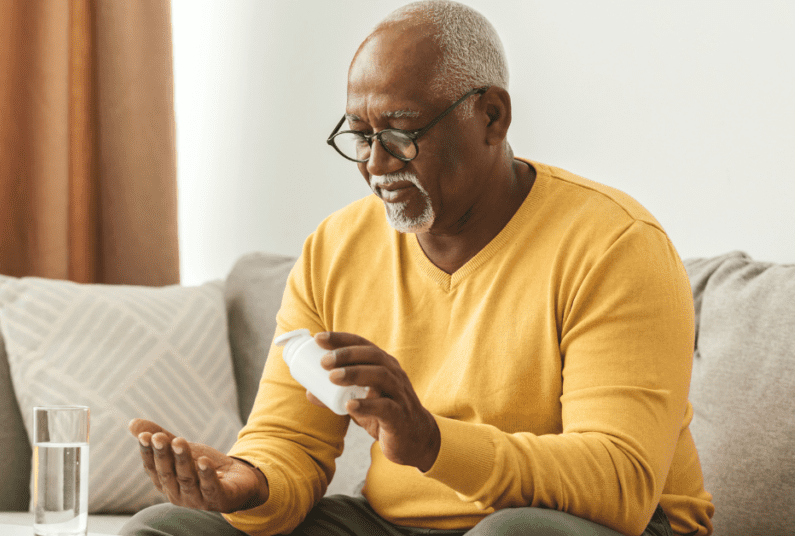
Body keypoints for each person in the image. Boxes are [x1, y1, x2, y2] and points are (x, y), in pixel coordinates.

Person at [123, 1, 714, 535]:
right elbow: (291, 440)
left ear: (492, 117)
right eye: (359, 135)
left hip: (597, 527)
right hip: (393, 525)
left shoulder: (614, 244)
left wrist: (432, 442)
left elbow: (619, 484)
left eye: (402, 133)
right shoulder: (336, 247)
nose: (376, 163)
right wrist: (247, 482)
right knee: (166, 528)